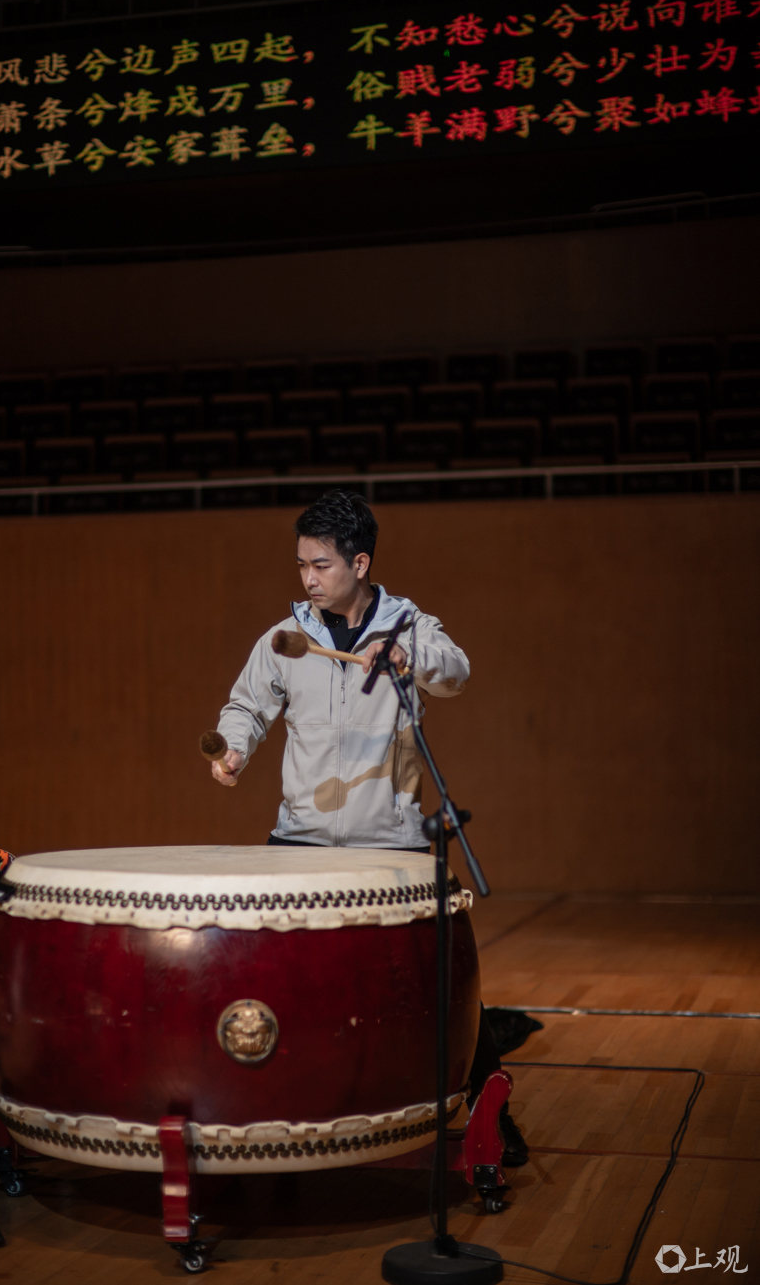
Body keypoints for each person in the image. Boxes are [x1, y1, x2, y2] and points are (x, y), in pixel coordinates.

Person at [209, 489, 527, 1164]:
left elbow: (457, 672)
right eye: (302, 564)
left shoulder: (410, 625)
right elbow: (247, 706)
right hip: (300, 838)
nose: (308, 578)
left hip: (392, 840)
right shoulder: (287, 638)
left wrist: (412, 657)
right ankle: (273, 1101)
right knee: (265, 969)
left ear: (359, 562)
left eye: (321, 564)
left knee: (438, 979)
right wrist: (233, 747)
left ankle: (491, 1109)